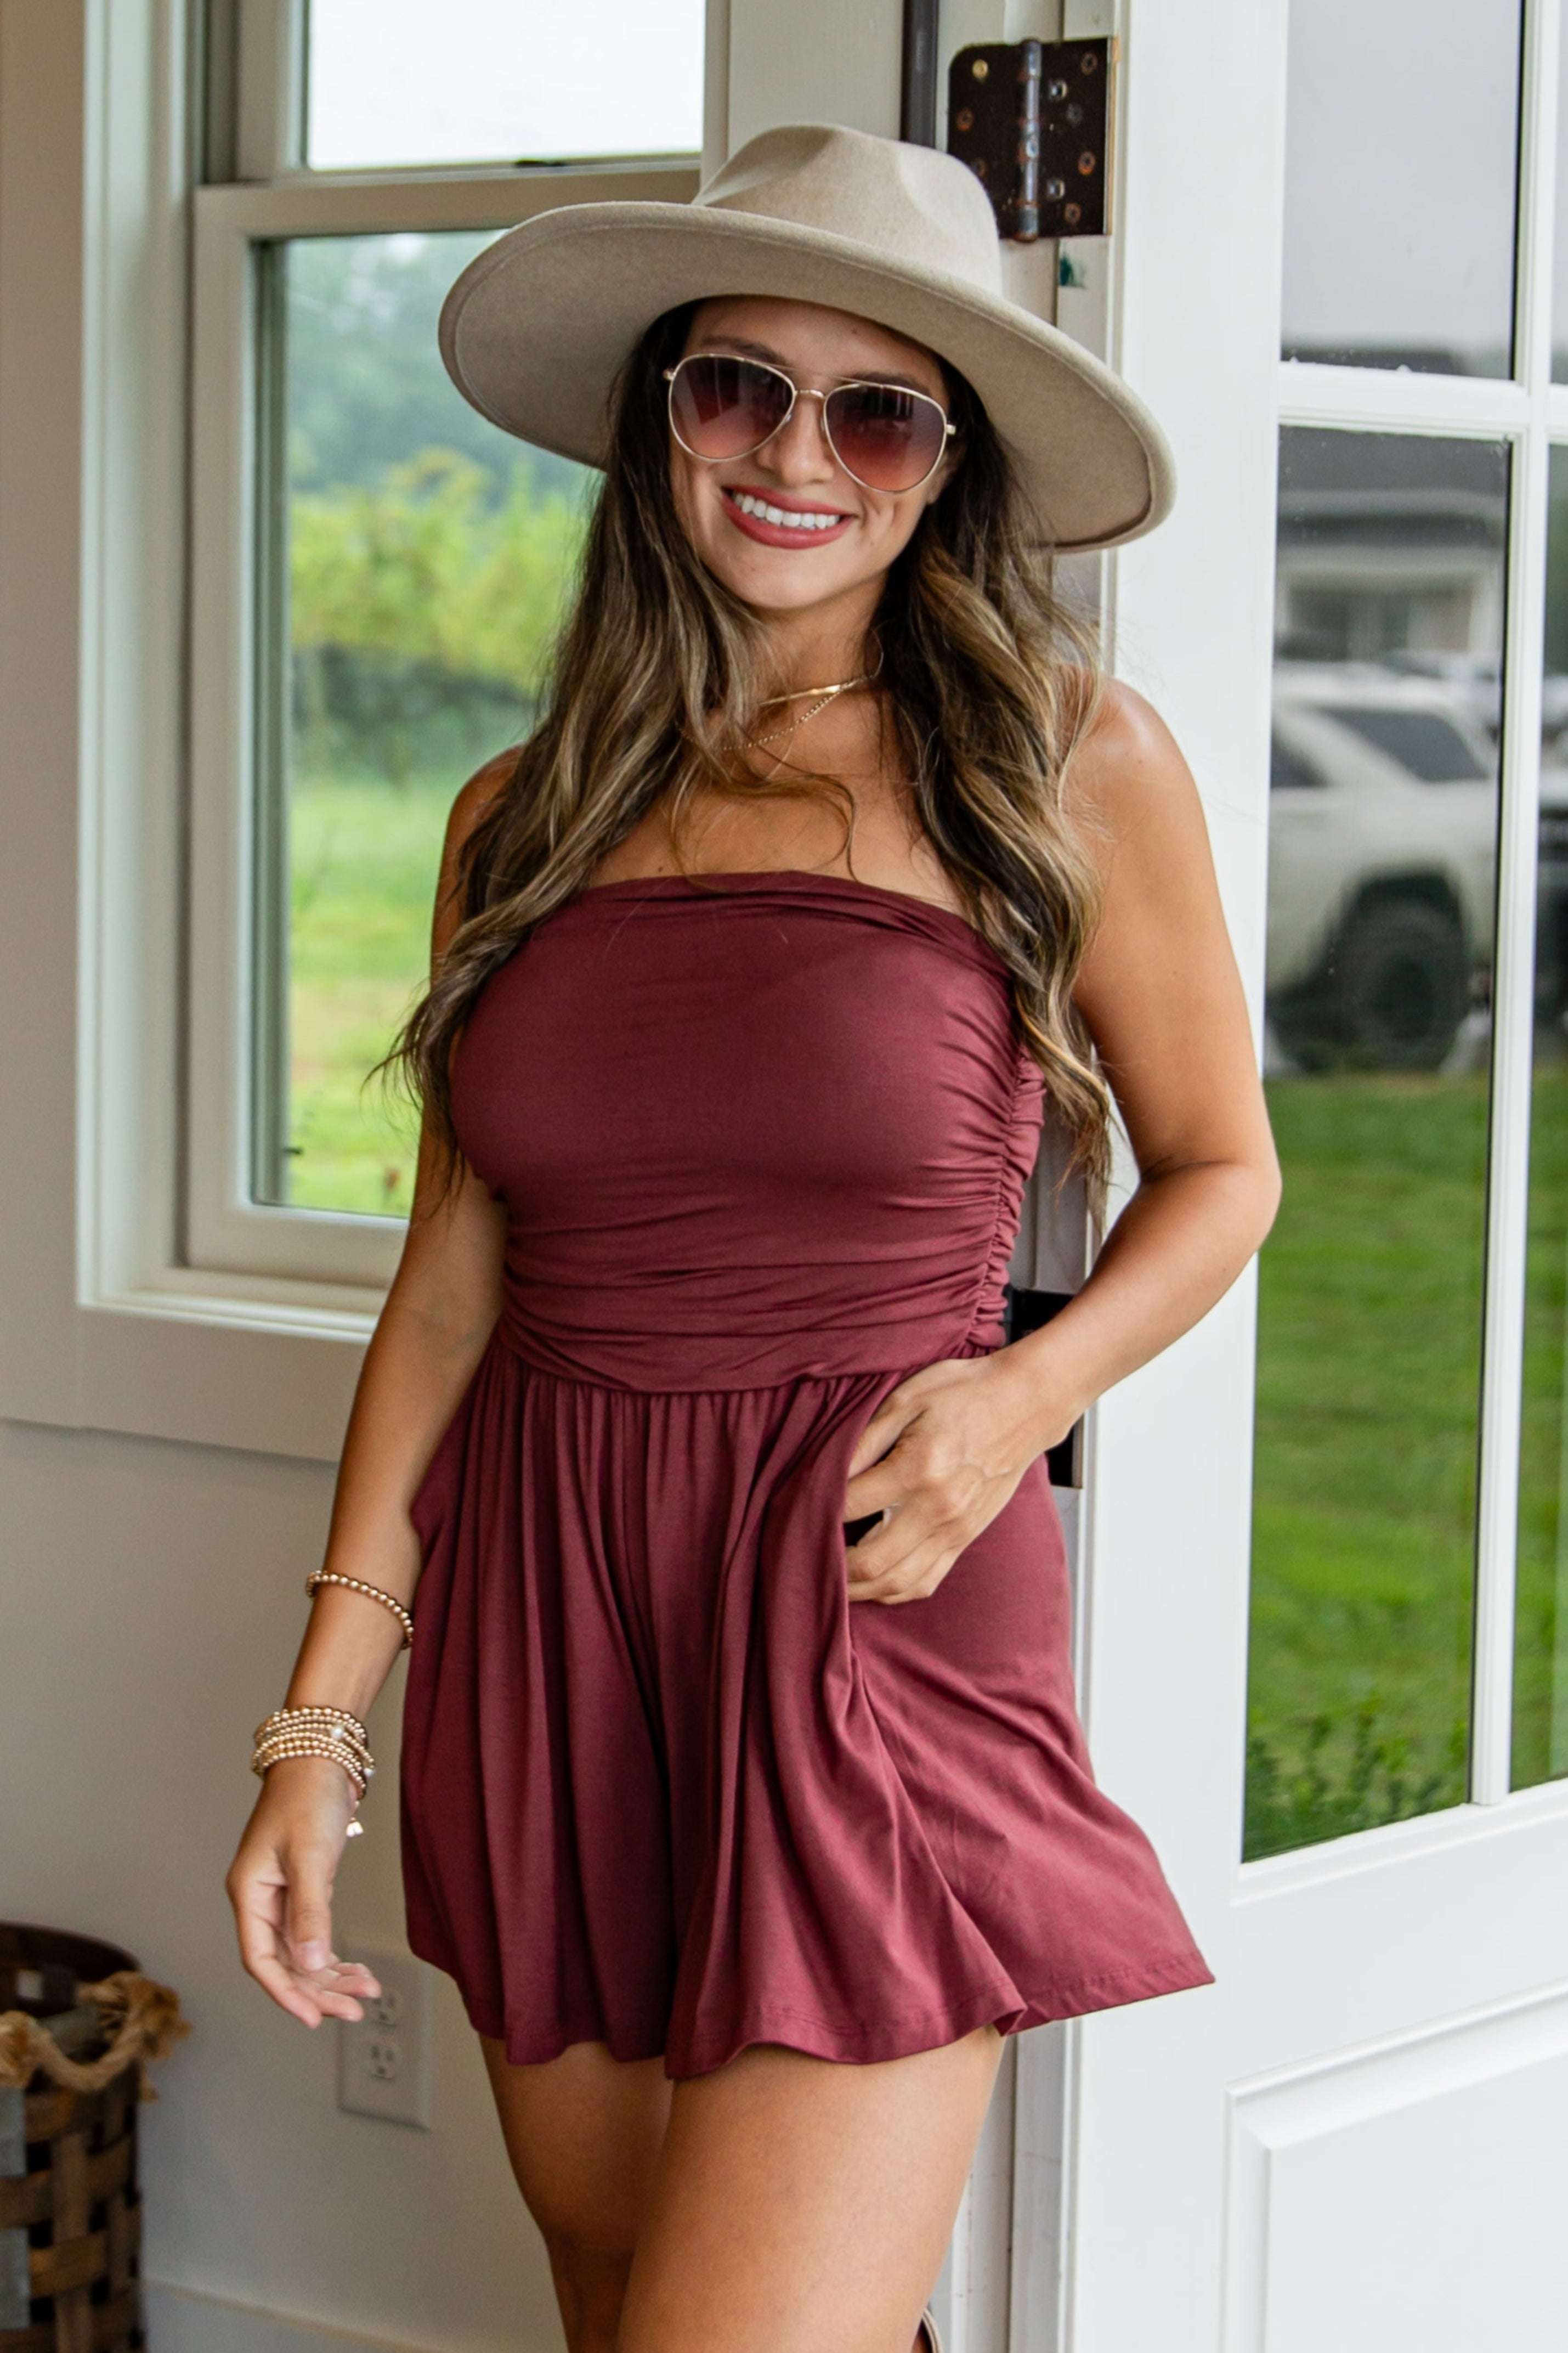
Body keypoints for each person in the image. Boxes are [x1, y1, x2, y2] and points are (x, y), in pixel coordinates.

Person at [227, 124, 1279, 2353]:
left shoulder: (1068, 761)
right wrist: (320, 1720)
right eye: (739, 388)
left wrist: (1022, 1394)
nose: (797, 456)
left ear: (946, 467)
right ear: (659, 420)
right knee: (622, 2300)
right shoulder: (522, 813)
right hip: (553, 1612)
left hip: (863, 1597)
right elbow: (452, 1282)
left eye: (876, 411)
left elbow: (1223, 1168)